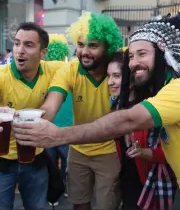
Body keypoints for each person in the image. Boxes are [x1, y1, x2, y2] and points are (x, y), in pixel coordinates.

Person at [7, 14, 180, 209]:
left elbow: (127, 119)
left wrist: (57, 136)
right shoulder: (157, 88)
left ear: (163, 55)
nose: (134, 62)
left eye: (142, 54)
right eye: (132, 56)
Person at [0, 22, 64, 210]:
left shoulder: (54, 69)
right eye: (17, 43)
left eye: (28, 45)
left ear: (43, 53)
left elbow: (79, 67)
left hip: (36, 157)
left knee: (38, 206)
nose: (20, 50)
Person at [42, 12, 124, 210]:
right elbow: (51, 103)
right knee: (79, 204)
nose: (84, 51)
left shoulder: (120, 68)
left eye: (93, 45)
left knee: (108, 206)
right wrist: (38, 122)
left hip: (111, 152)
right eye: (80, 44)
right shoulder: (70, 70)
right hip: (78, 150)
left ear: (108, 46)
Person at [108, 51, 176, 210]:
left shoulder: (153, 106)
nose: (110, 82)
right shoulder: (117, 104)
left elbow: (173, 151)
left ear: (133, 76)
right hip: (127, 180)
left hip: (150, 184)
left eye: (116, 76)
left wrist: (146, 153)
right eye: (108, 76)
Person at [44, 34, 74, 207]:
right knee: (67, 162)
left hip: (48, 125)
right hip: (68, 126)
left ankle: (52, 195)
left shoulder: (42, 72)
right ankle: (67, 188)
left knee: (50, 163)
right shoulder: (70, 68)